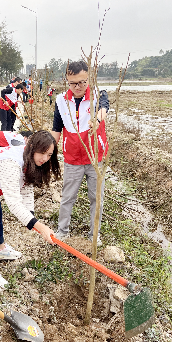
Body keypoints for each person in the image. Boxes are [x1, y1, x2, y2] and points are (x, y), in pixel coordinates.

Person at [0, 130, 61, 290]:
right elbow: (13, 203)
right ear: (32, 147)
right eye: (42, 153)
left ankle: (0, 250)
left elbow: (26, 188)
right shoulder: (11, 164)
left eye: (49, 155)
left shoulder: (30, 160)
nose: (45, 159)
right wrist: (39, 226)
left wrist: (31, 216)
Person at [51, 61, 109, 245]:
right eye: (73, 83)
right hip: (73, 158)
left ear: (89, 78)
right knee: (68, 197)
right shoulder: (61, 101)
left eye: (82, 82)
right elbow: (56, 128)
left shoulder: (97, 94)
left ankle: (94, 235)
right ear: (67, 81)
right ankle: (62, 231)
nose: (78, 87)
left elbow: (104, 108)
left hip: (95, 158)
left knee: (96, 197)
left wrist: (97, 121)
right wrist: (48, 150)